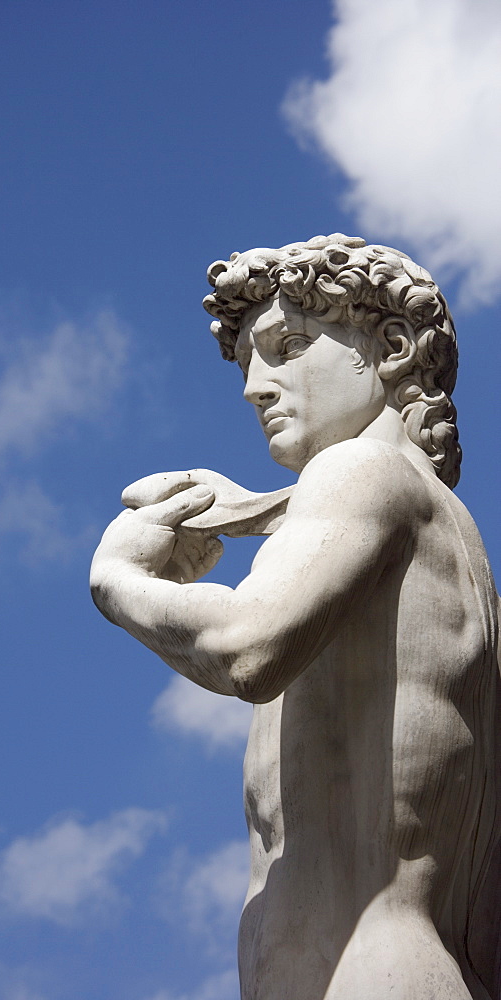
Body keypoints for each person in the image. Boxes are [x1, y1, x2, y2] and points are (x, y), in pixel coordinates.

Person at [90, 235, 500, 1000]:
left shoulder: (361, 472)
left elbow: (246, 647)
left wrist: (118, 580)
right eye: (247, 363)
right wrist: (249, 512)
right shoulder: (439, 533)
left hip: (366, 973)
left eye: (288, 346)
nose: (255, 386)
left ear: (392, 347)